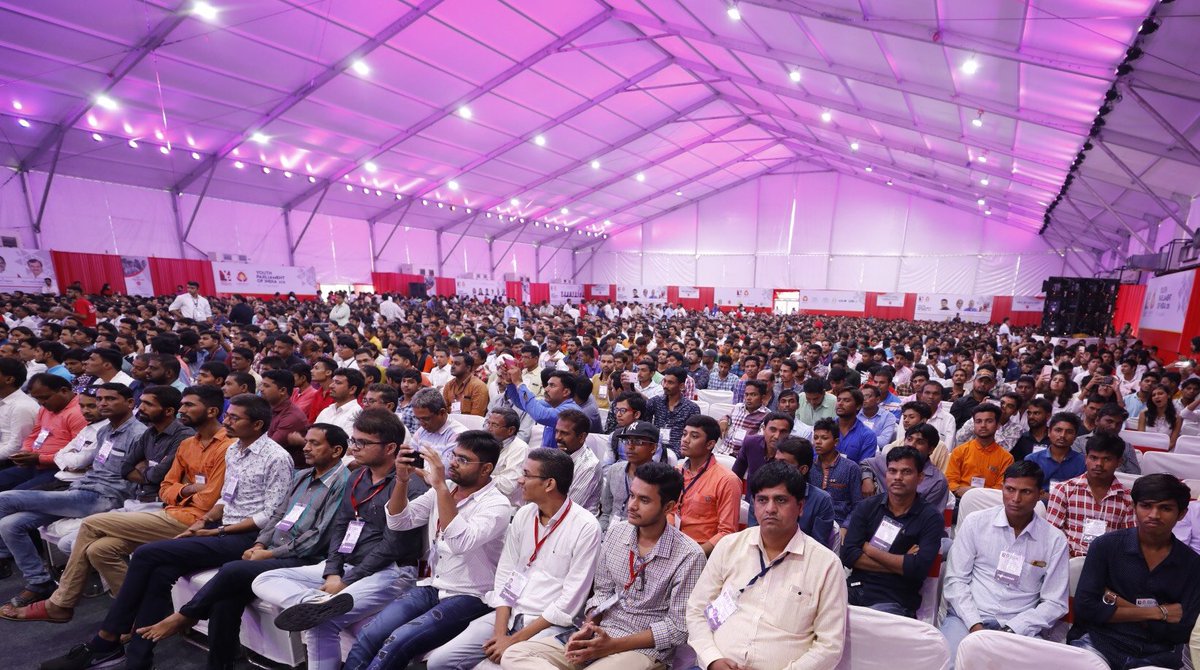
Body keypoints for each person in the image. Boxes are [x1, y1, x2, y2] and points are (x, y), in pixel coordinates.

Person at [40, 393, 293, 670]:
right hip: (218, 526)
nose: (227, 421)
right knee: (159, 572)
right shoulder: (235, 450)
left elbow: (272, 514)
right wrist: (204, 521)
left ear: (257, 425)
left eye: (234, 418)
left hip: (248, 538)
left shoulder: (276, 457)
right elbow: (226, 497)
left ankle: (107, 639)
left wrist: (218, 529)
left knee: (147, 554)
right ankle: (137, 660)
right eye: (227, 415)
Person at [3, 385, 230, 624]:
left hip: (194, 519)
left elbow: (204, 498)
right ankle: (136, 616)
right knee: (99, 550)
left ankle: (60, 604)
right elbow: (161, 486)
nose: (182, 410)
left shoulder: (224, 446)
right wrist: (184, 490)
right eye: (182, 404)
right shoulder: (188, 444)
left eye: (189, 405)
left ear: (212, 411)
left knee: (90, 524)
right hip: (166, 508)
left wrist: (174, 489)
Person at [132, 423, 351, 669]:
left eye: (314, 443)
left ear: (336, 450)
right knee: (225, 601)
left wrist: (269, 553)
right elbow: (277, 515)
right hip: (271, 548)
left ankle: (185, 616)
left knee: (233, 569)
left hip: (307, 558)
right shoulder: (301, 476)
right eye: (307, 441)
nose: (306, 448)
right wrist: (259, 543)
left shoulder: (343, 483)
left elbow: (319, 537)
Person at [253, 410, 430, 670]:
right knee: (263, 579)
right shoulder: (357, 477)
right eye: (353, 440)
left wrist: (346, 581)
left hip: (391, 571)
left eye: (363, 443)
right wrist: (333, 572)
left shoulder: (410, 485)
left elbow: (394, 545)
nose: (354, 448)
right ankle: (314, 602)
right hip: (348, 565)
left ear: (390, 448)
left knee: (321, 622)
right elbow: (341, 525)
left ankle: (323, 607)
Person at [502, 462, 706, 670]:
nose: (632, 505)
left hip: (643, 650)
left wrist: (611, 646)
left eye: (644, 500)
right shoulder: (617, 533)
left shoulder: (689, 555)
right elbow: (602, 592)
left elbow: (677, 629)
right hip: (601, 634)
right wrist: (590, 625)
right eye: (632, 495)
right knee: (514, 654)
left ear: (668, 507)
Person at [343, 430, 511, 670]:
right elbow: (400, 521)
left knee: (397, 641)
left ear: (486, 469)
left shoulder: (497, 504)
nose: (454, 463)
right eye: (454, 456)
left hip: (471, 595)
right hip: (432, 584)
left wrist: (440, 487)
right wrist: (402, 481)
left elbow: (460, 543)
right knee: (370, 633)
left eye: (463, 460)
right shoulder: (447, 488)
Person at [427, 448, 602, 670]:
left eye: (527, 475)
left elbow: (568, 604)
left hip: (546, 624)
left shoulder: (585, 526)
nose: (520, 480)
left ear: (549, 484)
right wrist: (501, 633)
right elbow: (505, 574)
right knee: (438, 662)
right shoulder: (524, 514)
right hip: (508, 614)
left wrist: (514, 640)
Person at [685, 461, 846, 670]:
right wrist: (712, 659)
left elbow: (829, 645)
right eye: (762, 500)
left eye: (781, 500)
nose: (770, 509)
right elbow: (697, 610)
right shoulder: (729, 546)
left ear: (800, 507)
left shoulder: (826, 565)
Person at [0, 384, 145, 603]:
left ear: (130, 403)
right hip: (82, 489)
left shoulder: (139, 434)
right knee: (9, 525)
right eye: (100, 399)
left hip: (106, 498)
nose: (102, 404)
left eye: (110, 399)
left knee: (4, 498)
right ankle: (39, 581)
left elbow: (135, 477)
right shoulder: (104, 431)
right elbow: (88, 465)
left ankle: (4, 558)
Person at [941, 461, 1070, 666]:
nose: (1015, 499)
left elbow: (1055, 603)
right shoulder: (976, 523)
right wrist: (975, 625)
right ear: (1002, 488)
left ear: (1040, 495)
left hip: (1020, 627)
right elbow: (956, 580)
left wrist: (1014, 629)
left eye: (1026, 492)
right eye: (1010, 489)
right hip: (968, 618)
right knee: (951, 665)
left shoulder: (1054, 540)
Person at [1070, 474, 1200, 669]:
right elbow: (1085, 608)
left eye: (1165, 508)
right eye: (1146, 506)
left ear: (1181, 514)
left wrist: (1117, 604)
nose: (1154, 515)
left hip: (1159, 654)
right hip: (1099, 643)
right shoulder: (1105, 546)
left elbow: (1182, 630)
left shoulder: (1192, 564)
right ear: (1133, 506)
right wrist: (1159, 613)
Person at [841, 446, 944, 618]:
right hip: (855, 589)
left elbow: (918, 568)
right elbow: (848, 555)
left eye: (906, 472)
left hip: (896, 599)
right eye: (892, 471)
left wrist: (870, 550)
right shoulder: (867, 507)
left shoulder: (930, 517)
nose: (898, 477)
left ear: (920, 477)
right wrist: (902, 562)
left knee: (867, 622)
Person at [1045, 433, 1135, 557]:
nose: (1099, 464)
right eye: (1093, 458)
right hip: (1067, 559)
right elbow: (1052, 535)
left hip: (1107, 562)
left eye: (1107, 459)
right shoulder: (1064, 490)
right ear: (1086, 458)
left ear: (1119, 462)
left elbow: (1127, 541)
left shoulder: (1128, 498)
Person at [0, 373, 86, 491]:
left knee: (12, 496)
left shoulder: (79, 413)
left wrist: (40, 458)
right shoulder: (45, 409)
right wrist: (25, 451)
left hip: (59, 470)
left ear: (64, 391)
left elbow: (78, 453)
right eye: (38, 399)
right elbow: (33, 435)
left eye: (45, 397)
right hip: (34, 464)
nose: (41, 402)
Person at [672, 415, 741, 555]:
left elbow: (727, 532)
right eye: (684, 434)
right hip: (671, 544)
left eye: (694, 436)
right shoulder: (676, 471)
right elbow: (669, 511)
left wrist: (695, 555)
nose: (685, 440)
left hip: (703, 552)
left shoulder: (727, 480)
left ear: (710, 444)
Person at [862, 423, 949, 510]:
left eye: (920, 442)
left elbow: (930, 514)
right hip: (874, 512)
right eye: (909, 439)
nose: (911, 445)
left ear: (931, 449)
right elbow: (865, 463)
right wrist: (867, 479)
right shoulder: (889, 460)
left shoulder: (937, 481)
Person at [946, 404, 1014, 500]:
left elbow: (1001, 487)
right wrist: (959, 490)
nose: (983, 425)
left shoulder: (1006, 458)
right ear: (973, 425)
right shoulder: (960, 451)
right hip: (959, 498)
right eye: (978, 421)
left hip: (989, 502)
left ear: (998, 425)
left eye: (989, 421)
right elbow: (950, 480)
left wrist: (977, 494)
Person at [599, 421, 659, 530]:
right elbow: (606, 513)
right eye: (627, 441)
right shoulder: (614, 470)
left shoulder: (659, 479)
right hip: (610, 530)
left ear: (653, 448)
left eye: (638, 442)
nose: (630, 446)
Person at [506, 367, 580, 449]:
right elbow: (523, 403)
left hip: (559, 456)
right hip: (547, 454)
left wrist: (519, 384)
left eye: (552, 386)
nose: (546, 389)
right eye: (547, 385)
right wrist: (510, 383)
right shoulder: (553, 404)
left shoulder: (571, 410)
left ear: (566, 392)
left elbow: (540, 415)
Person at [554, 409, 602, 515]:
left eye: (564, 433)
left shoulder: (589, 466)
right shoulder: (557, 455)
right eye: (556, 431)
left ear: (581, 437)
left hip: (576, 520)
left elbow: (570, 507)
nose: (557, 437)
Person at [1025, 412, 1086, 496]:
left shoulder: (1083, 462)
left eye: (1069, 432)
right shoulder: (1032, 460)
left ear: (1075, 436)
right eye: (1058, 430)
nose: (1062, 435)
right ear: (1049, 432)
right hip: (1039, 502)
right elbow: (1027, 490)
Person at [645, 366, 700, 457]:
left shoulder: (691, 408)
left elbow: (693, 436)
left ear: (681, 386)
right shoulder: (656, 401)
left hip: (678, 452)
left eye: (670, 382)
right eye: (664, 381)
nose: (665, 386)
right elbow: (644, 421)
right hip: (654, 449)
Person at [260, 369, 310, 467]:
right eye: (261, 385)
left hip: (288, 469)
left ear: (282, 391)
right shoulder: (266, 408)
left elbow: (267, 449)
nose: (261, 389)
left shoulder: (292, 417)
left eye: (266, 386)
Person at [484, 407, 530, 506]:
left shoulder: (520, 448)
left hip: (507, 505)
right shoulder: (487, 443)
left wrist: (480, 475)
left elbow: (508, 486)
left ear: (510, 430)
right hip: (484, 498)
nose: (489, 428)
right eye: (488, 423)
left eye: (495, 425)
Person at [0, 357, 39, 461]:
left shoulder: (21, 407)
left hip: (10, 461)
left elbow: (17, 447)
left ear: (9, 379)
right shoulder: (4, 400)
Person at [717, 379, 769, 456]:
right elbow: (727, 416)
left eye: (753, 395)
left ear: (763, 397)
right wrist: (723, 420)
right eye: (746, 394)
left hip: (741, 457)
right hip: (722, 452)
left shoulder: (766, 416)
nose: (748, 398)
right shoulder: (738, 407)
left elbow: (758, 441)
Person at [314, 367, 364, 436]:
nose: (331, 386)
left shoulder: (357, 415)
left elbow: (347, 442)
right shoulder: (326, 411)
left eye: (338, 383)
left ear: (352, 389)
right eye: (332, 382)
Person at [832, 388, 877, 462]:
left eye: (846, 400)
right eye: (838, 400)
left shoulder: (867, 435)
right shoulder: (825, 428)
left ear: (858, 406)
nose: (840, 403)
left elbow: (865, 465)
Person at [442, 352, 489, 416]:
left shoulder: (478, 386)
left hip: (471, 422)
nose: (452, 366)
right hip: (451, 421)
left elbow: (476, 417)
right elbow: (444, 412)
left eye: (457, 364)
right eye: (452, 363)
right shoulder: (449, 385)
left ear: (468, 368)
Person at [858, 384, 899, 449]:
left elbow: (883, 442)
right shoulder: (855, 413)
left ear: (877, 400)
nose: (863, 399)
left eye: (867, 396)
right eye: (861, 396)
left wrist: (857, 439)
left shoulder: (888, 417)